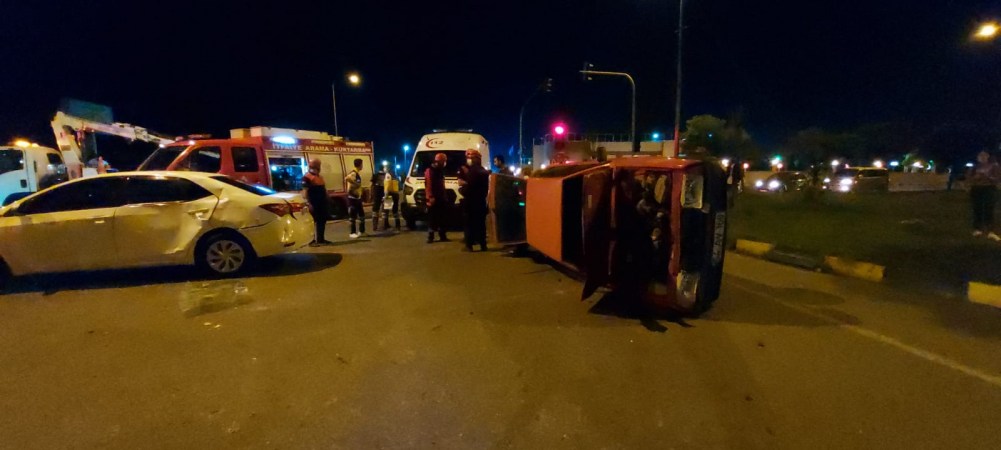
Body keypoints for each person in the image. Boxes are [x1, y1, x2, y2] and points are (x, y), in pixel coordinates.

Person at [458, 149, 490, 251]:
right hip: (481, 201)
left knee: (469, 224)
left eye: (470, 158)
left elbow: (469, 187)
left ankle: (469, 245)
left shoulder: (472, 171)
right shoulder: (483, 171)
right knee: (481, 224)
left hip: (471, 202)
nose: (469, 160)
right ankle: (483, 245)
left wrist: (461, 189)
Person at [968, 150, 1001, 241]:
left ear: (987, 157)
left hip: (989, 188)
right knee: (977, 208)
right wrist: (975, 178)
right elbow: (969, 178)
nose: (982, 158)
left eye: (984, 156)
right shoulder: (974, 167)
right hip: (977, 188)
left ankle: (990, 230)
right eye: (980, 156)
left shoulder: (994, 166)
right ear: (978, 158)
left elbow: (998, 178)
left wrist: (988, 177)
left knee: (989, 208)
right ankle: (977, 229)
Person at [302, 159, 332, 246]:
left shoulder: (319, 177)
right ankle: (311, 241)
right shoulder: (307, 177)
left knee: (321, 221)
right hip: (313, 203)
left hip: (321, 203)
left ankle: (320, 239)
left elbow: (324, 189)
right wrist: (308, 203)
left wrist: (328, 198)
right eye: (318, 165)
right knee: (312, 222)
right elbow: (305, 191)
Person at [425, 152, 450, 243]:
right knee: (432, 218)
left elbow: (441, 185)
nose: (445, 163)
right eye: (444, 161)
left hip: (440, 198)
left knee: (442, 218)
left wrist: (444, 196)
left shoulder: (439, 170)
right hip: (433, 198)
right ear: (440, 161)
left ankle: (442, 235)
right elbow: (429, 184)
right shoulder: (430, 171)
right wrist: (430, 197)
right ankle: (430, 237)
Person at [345, 158, 366, 239]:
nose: (362, 166)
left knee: (362, 215)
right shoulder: (353, 173)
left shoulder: (357, 173)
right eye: (362, 164)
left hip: (358, 198)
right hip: (353, 198)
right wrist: (356, 185)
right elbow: (347, 179)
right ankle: (352, 232)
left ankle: (361, 231)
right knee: (353, 216)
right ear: (360, 165)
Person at [370, 163, 387, 232]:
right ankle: (385, 225)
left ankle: (375, 226)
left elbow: (372, 185)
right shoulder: (387, 175)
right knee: (385, 210)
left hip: (377, 193)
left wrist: (371, 195)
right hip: (386, 193)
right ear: (383, 168)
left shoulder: (375, 175)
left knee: (375, 210)